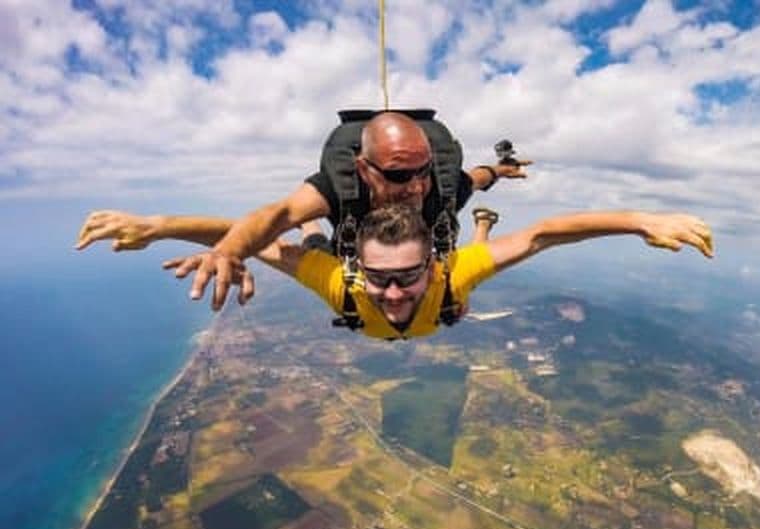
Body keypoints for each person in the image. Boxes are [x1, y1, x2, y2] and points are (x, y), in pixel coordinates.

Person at [76, 205, 713, 340]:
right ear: (361, 271)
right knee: (304, 245)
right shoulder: (345, 282)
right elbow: (242, 238)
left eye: (407, 277)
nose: (392, 292)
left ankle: (477, 225)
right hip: (337, 257)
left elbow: (544, 235)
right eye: (379, 280)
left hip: (452, 277)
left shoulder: (448, 276)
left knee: (470, 264)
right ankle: (319, 232)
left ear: (429, 267)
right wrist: (159, 225)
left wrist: (638, 221)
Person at [164, 111, 532, 311]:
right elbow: (279, 214)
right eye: (400, 175)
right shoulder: (341, 189)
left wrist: (501, 170)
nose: (416, 187)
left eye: (423, 173)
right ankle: (311, 226)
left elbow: (476, 178)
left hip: (422, 242)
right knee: (317, 244)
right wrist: (230, 250)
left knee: (447, 259)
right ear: (363, 169)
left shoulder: (435, 192)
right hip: (353, 243)